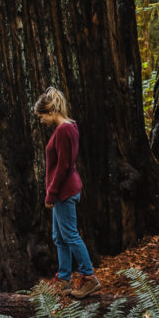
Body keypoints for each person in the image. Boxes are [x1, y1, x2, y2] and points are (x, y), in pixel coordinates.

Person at [33, 86, 100, 298]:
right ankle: (63, 278)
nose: (41, 120)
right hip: (65, 189)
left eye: (41, 116)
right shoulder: (70, 126)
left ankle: (89, 277)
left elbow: (63, 166)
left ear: (51, 111)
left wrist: (51, 194)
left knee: (69, 234)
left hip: (64, 191)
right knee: (59, 236)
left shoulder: (63, 130)